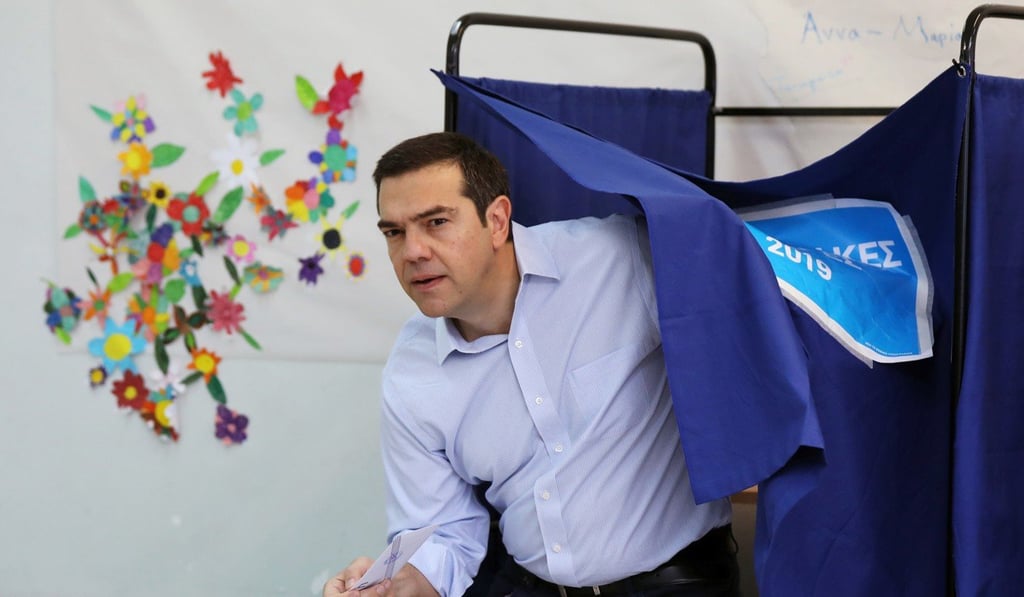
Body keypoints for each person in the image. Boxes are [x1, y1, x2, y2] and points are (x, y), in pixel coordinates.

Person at [324, 132, 739, 597]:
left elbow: (746, 320)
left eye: (436, 222)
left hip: (679, 582)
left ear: (497, 220)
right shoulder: (411, 372)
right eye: (394, 232)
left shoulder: (622, 258)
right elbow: (443, 535)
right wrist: (399, 584)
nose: (412, 251)